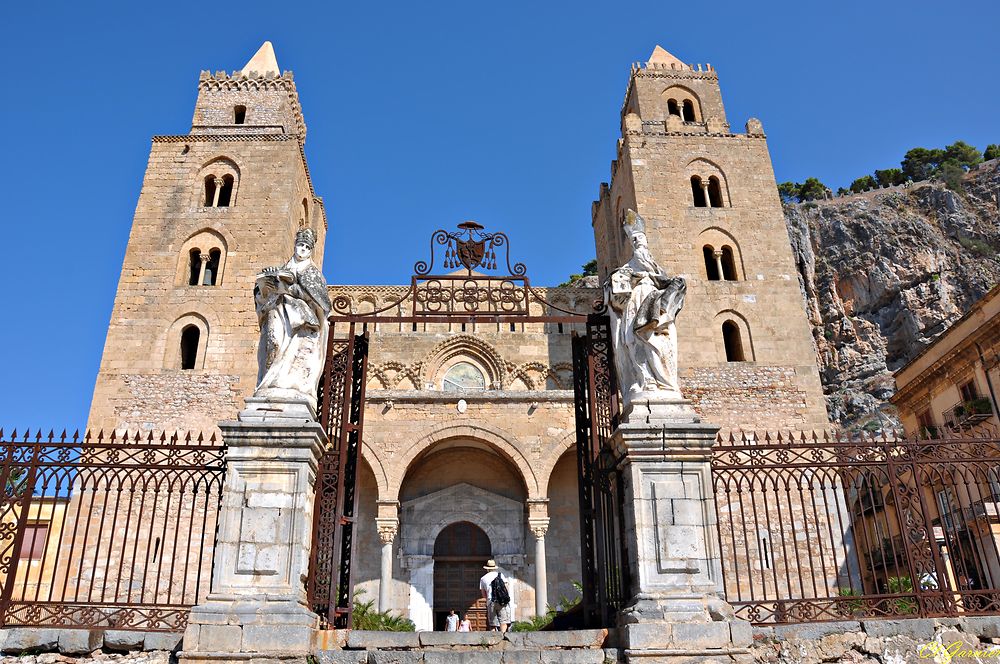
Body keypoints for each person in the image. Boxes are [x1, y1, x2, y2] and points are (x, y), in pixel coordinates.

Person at [253, 227, 331, 415]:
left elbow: (323, 303)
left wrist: (290, 289)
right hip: (278, 313)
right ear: (294, 246)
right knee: (274, 342)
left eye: (306, 246)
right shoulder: (282, 269)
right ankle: (270, 385)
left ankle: (290, 386)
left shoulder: (313, 274)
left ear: (311, 251)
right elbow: (261, 296)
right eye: (300, 245)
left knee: (297, 355)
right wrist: (266, 286)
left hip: (301, 323)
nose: (302, 249)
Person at [479, 558, 511, 633]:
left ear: (487, 568)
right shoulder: (500, 575)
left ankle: (494, 638)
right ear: (494, 568)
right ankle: (502, 636)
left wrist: (489, 599)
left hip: (491, 601)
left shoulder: (483, 578)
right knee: (503, 621)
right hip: (501, 601)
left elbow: (483, 594)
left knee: (492, 624)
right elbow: (506, 588)